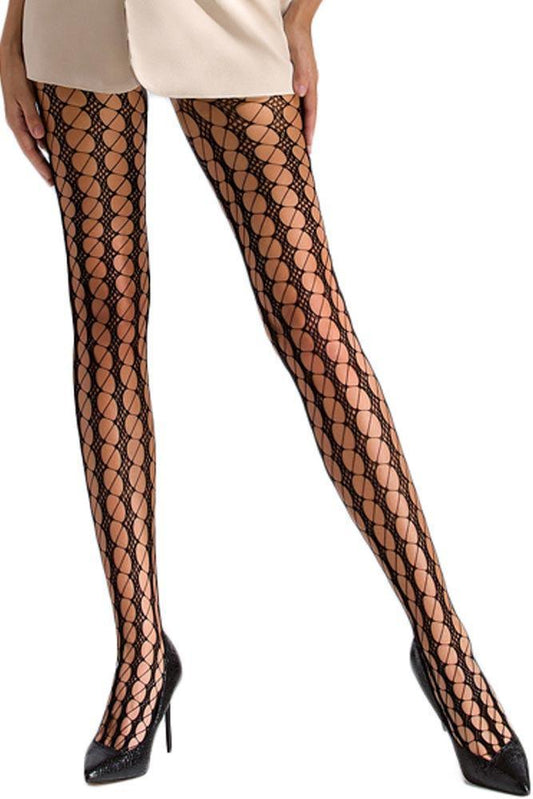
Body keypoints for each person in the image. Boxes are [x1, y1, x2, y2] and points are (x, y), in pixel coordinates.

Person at [0, 0, 529, 792]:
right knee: (106, 318)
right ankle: (141, 653)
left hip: (223, 14)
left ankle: (444, 644)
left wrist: (302, 16)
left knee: (314, 325)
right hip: (72, 20)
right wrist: (13, 28)